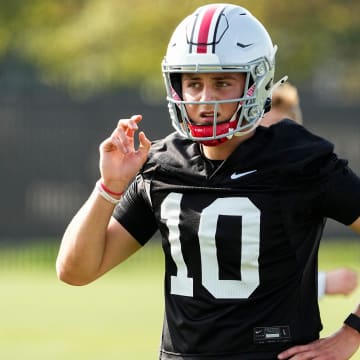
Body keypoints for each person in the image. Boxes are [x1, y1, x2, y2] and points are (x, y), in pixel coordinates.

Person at [56, 4, 360, 359]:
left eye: (222, 82)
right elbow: (76, 271)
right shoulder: (161, 166)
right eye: (194, 83)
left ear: (255, 83)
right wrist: (108, 187)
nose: (205, 100)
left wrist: (351, 334)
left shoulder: (300, 159)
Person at [263, 82, 359, 300]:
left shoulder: (312, 176)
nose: (273, 140)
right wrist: (323, 283)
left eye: (283, 130)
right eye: (264, 132)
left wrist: (353, 331)